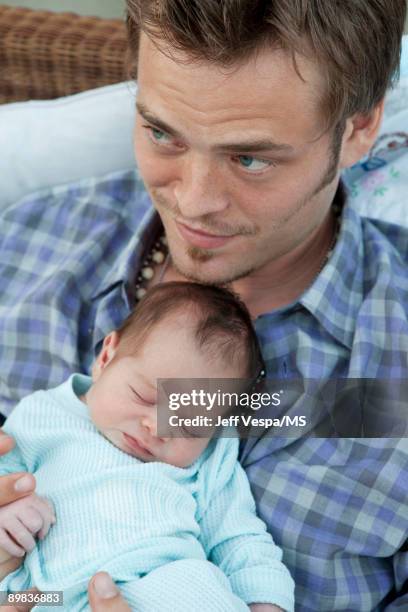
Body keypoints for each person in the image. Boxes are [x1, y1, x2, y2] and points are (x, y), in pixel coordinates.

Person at [0, 0, 407, 609]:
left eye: (250, 158)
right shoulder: (23, 248)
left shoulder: (391, 360)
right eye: (162, 133)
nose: (193, 203)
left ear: (359, 130)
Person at [0, 282, 294, 612]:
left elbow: (239, 539)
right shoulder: (43, 415)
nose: (156, 427)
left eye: (188, 426)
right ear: (107, 356)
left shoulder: (210, 458)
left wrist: (266, 602)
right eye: (144, 396)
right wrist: (11, 516)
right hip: (46, 595)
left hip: (163, 586)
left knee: (197, 588)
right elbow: (5, 479)